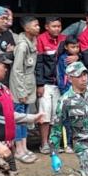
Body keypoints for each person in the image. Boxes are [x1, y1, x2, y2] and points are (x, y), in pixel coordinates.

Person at [9, 17, 40, 163]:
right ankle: (19, 150)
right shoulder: (22, 46)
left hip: (29, 84)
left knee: (26, 117)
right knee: (19, 117)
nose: (38, 27)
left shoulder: (33, 41)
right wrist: (21, 91)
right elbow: (17, 70)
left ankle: (25, 147)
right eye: (35, 25)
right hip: (20, 85)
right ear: (26, 28)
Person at [36, 17, 66, 154]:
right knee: (44, 114)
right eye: (54, 26)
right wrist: (40, 83)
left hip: (60, 84)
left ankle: (54, 143)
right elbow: (39, 64)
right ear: (47, 27)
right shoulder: (41, 39)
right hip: (46, 84)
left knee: (56, 115)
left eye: (59, 26)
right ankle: (44, 144)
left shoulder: (64, 39)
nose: (57, 29)